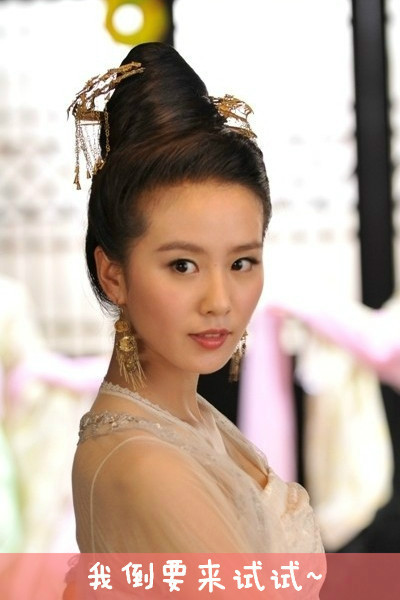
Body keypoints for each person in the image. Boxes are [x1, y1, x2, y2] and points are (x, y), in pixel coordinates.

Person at [70, 42, 323, 553]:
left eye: (241, 263)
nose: (220, 301)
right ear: (113, 274)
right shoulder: (147, 465)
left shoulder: (187, 418)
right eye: (183, 265)